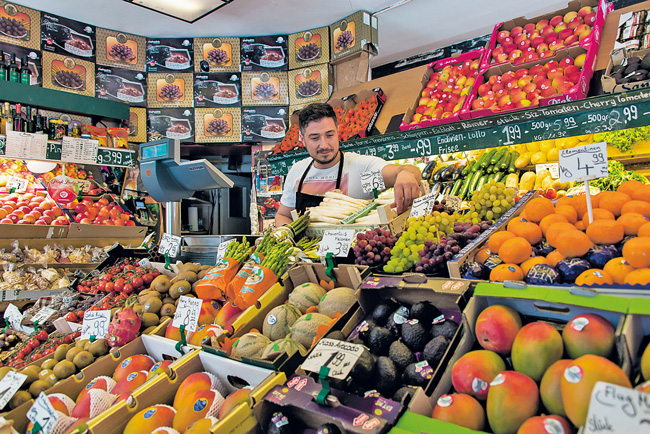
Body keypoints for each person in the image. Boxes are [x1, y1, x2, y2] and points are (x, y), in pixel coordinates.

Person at [275, 102, 422, 227]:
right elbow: (284, 215)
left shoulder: (361, 171)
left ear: (338, 132)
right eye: (315, 138)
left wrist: (406, 173)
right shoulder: (298, 172)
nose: (324, 145)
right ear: (302, 138)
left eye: (330, 135)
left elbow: (401, 172)